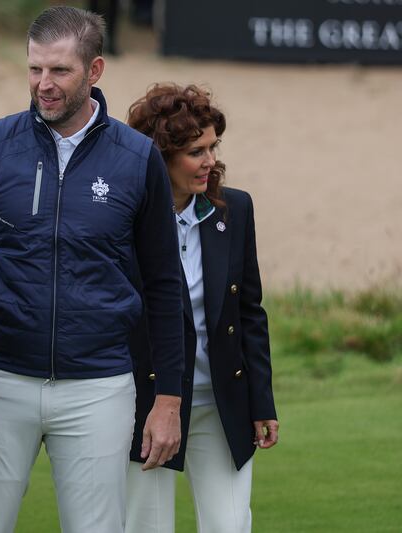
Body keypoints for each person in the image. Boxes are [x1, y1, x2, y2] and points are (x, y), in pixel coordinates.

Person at [0, 6, 185, 533]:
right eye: (35, 69)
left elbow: (164, 285)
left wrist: (169, 398)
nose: (44, 84)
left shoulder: (138, 157)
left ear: (94, 70)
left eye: (60, 70)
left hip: (99, 385)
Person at [125, 83, 279, 533]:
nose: (210, 161)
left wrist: (262, 402)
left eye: (213, 147)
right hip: (145, 403)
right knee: (145, 527)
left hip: (220, 400)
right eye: (196, 151)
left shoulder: (236, 209)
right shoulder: (124, 219)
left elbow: (249, 312)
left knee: (230, 526)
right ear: (161, 157)